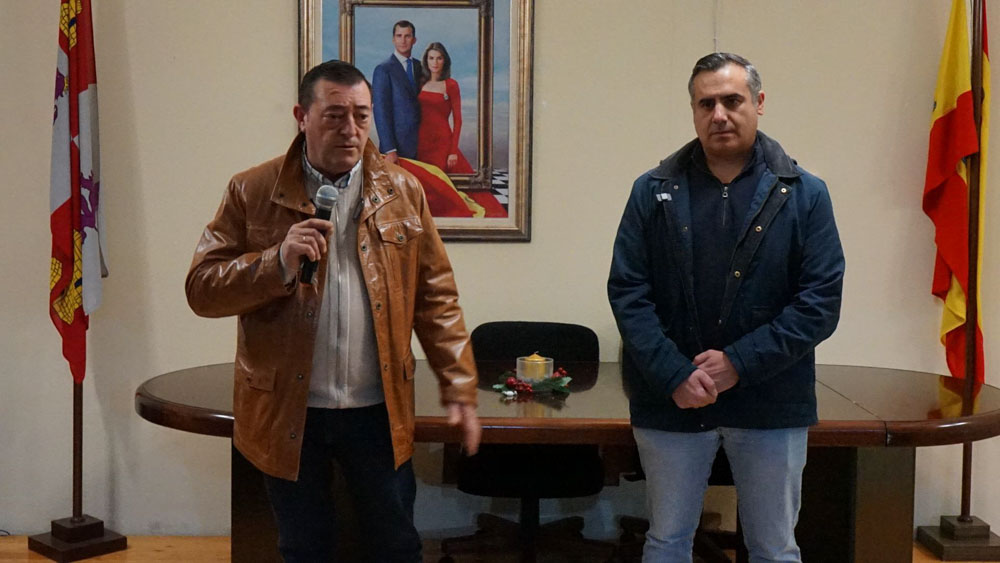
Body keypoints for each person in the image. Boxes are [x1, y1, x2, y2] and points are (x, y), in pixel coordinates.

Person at [186, 59, 481, 562]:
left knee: (395, 546)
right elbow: (202, 289)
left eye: (362, 116)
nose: (351, 130)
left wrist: (459, 386)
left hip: (378, 408)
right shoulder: (252, 190)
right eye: (335, 115)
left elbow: (435, 297)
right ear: (302, 116)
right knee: (305, 548)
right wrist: (276, 262)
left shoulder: (402, 191)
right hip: (289, 410)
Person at [607, 52, 844, 562]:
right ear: (693, 111)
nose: (719, 114)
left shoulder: (805, 194)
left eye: (732, 100)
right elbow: (628, 292)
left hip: (771, 401)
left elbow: (820, 302)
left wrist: (738, 362)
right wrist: (673, 373)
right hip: (672, 400)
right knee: (667, 542)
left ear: (759, 103)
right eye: (706, 103)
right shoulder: (651, 191)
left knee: (774, 549)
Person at [416, 42, 474, 174]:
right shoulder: (420, 83)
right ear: (426, 60)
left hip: (442, 142)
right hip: (421, 141)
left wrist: (453, 151)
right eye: (431, 58)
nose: (435, 62)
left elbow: (458, 120)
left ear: (445, 61)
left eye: (439, 58)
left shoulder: (451, 85)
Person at [372, 20, 422, 164]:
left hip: (422, 144)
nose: (403, 40)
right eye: (399, 36)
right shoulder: (383, 69)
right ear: (393, 39)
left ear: (414, 40)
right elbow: (380, 111)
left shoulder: (420, 66)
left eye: (407, 36)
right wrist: (390, 149)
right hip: (397, 149)